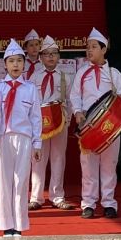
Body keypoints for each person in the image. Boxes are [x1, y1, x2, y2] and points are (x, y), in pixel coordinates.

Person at [69, 27, 121, 219]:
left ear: (104, 49)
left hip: (110, 126)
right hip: (88, 127)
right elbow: (75, 95)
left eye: (94, 47)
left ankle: (109, 203)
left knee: (109, 165)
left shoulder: (114, 73)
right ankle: (88, 203)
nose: (89, 50)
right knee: (88, 166)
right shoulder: (82, 73)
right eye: (88, 47)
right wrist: (78, 112)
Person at [0, 39, 38, 238]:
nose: (16, 65)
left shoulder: (30, 88)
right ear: (5, 64)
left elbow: (36, 117)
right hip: (2, 138)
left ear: (24, 64)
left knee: (21, 181)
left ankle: (20, 224)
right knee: (3, 181)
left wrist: (37, 143)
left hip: (23, 138)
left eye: (19, 61)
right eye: (12, 61)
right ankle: (6, 224)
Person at [29, 41, 72, 211]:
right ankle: (36, 197)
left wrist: (67, 119)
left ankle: (57, 196)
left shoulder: (65, 77)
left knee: (58, 158)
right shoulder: (34, 77)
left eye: (54, 53)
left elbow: (70, 100)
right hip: (40, 123)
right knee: (38, 158)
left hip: (59, 122)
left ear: (59, 56)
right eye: (46, 54)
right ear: (40, 57)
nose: (50, 57)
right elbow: (30, 101)